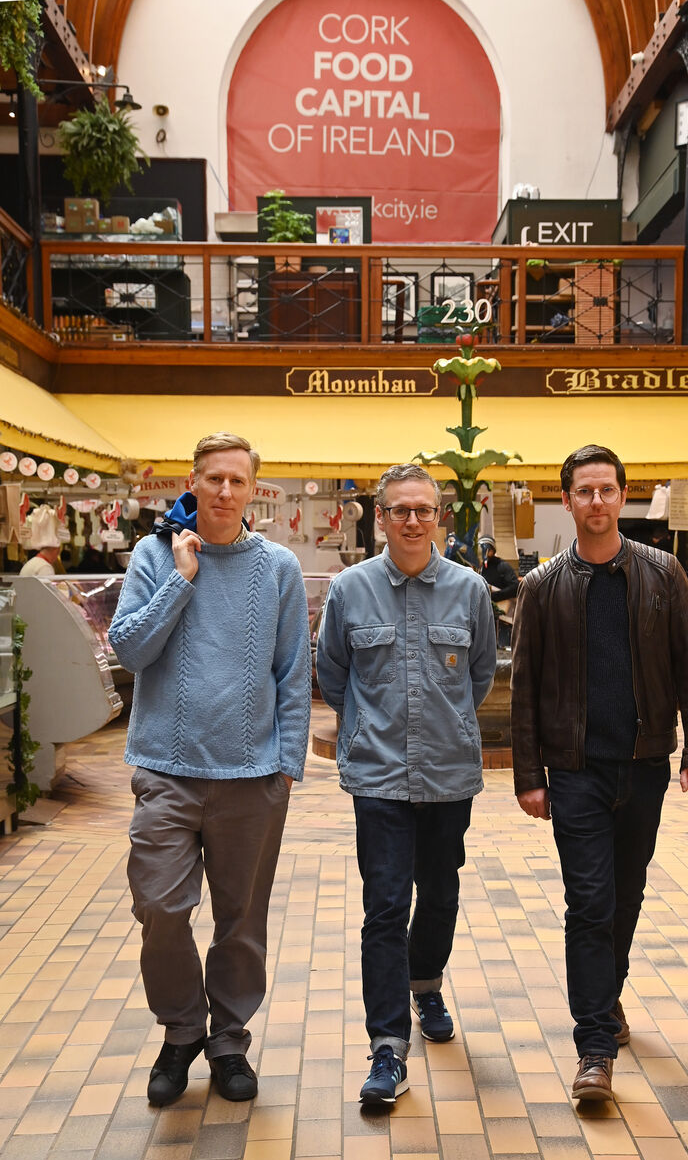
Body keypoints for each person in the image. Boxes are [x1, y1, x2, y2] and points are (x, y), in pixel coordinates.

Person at [108, 431, 311, 1107]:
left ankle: (227, 1040)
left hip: (252, 777)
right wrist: (181, 578)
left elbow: (293, 670)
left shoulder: (278, 567)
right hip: (166, 770)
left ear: (254, 490)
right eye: (213, 478)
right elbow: (130, 650)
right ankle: (181, 1029)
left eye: (237, 480)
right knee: (160, 907)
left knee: (240, 920)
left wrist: (286, 764)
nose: (225, 491)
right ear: (191, 483)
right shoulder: (155, 555)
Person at [510, 444, 688, 1103]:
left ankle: (605, 995)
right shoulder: (542, 587)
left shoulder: (662, 573)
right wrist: (528, 774)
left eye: (606, 490)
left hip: (644, 765)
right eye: (584, 491)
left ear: (622, 496)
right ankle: (594, 1048)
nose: (596, 501)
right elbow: (523, 688)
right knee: (589, 904)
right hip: (575, 771)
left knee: (625, 898)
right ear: (566, 500)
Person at [316, 463, 497, 1106]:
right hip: (379, 776)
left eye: (423, 509)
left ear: (438, 516)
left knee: (440, 895)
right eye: (400, 510)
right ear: (381, 517)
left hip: (449, 773)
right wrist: (370, 729)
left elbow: (480, 676)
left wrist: (447, 725)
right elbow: (332, 675)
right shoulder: (350, 589)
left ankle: (426, 985)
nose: (413, 521)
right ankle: (387, 1047)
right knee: (386, 907)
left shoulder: (469, 590)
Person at [479, 536, 519, 602]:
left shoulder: (502, 566)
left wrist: (493, 596)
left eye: (488, 550)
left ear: (493, 551)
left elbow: (515, 587)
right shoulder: (478, 567)